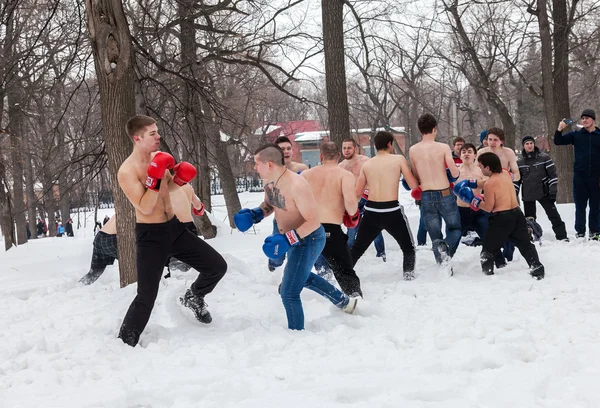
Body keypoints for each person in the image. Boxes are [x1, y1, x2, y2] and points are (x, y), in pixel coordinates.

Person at [116, 115, 227, 347]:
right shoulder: (127, 171)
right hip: (150, 237)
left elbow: (170, 187)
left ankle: (194, 296)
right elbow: (145, 206)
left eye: (157, 131)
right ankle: (125, 342)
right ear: (137, 138)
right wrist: (154, 178)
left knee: (217, 266)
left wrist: (180, 178)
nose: (159, 137)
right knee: (147, 296)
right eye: (152, 134)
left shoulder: (159, 158)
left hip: (175, 229)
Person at [234, 144, 357, 330]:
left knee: (289, 291)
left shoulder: (297, 185)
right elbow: (271, 204)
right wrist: (255, 214)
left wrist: (287, 239)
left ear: (269, 164)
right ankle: (344, 302)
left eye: (256, 163)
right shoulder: (269, 181)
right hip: (292, 239)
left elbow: (314, 222)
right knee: (302, 277)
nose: (254, 167)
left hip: (310, 239)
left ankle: (296, 334)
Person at [454, 152, 545, 279]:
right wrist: (471, 183)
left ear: (487, 167)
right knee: (525, 244)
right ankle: (537, 268)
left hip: (502, 219)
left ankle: (487, 275)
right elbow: (487, 181)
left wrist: (473, 200)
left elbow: (488, 207)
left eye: (481, 166)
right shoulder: (505, 173)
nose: (479, 168)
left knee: (487, 250)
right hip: (517, 214)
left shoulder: (490, 184)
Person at [351, 131, 419, 280]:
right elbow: (413, 185)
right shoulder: (398, 159)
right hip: (392, 210)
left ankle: (343, 274)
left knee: (357, 248)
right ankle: (408, 276)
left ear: (375, 146)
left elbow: (357, 192)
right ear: (390, 144)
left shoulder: (367, 164)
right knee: (408, 248)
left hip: (371, 211)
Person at [301, 142, 363, 297]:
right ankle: (354, 296)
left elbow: (297, 201)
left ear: (321, 156)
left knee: (299, 265)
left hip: (309, 228)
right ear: (339, 156)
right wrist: (353, 214)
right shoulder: (344, 175)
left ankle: (287, 287)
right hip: (331, 230)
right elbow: (350, 203)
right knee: (344, 270)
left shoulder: (306, 175)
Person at [409, 113, 461, 271]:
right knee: (455, 228)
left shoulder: (413, 150)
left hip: (426, 194)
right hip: (444, 191)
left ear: (420, 130)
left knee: (434, 233)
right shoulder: (443, 147)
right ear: (435, 129)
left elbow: (416, 175)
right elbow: (454, 173)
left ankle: (443, 265)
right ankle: (447, 246)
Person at [454, 144, 506, 266]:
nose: (466, 154)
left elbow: (490, 186)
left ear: (475, 155)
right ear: (460, 155)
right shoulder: (456, 172)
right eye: (464, 152)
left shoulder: (480, 171)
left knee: (488, 236)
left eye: (469, 151)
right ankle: (446, 260)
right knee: (455, 237)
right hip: (461, 210)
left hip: (479, 210)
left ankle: (500, 262)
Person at [554, 109, 600, 240]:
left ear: (593, 120)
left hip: (596, 177)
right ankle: (580, 232)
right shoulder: (576, 135)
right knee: (580, 206)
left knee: (596, 206)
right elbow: (558, 141)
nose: (584, 120)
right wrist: (559, 129)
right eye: (583, 118)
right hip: (580, 177)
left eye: (587, 118)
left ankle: (595, 232)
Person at [339, 138, 386, 261]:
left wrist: (370, 195)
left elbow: (376, 179)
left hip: (367, 199)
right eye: (344, 148)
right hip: (351, 203)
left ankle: (381, 255)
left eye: (349, 148)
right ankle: (349, 259)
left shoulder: (365, 162)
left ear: (355, 148)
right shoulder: (340, 166)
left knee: (374, 229)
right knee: (351, 233)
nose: (346, 150)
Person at [477, 127, 520, 261]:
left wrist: (509, 178)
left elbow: (517, 173)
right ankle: (495, 254)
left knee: (509, 221)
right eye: (489, 139)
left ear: (502, 141)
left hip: (505, 191)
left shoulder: (508, 153)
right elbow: (476, 172)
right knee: (490, 222)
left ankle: (509, 247)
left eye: (495, 140)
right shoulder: (481, 152)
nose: (492, 142)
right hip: (488, 188)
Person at [517, 135, 568, 241]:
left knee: (553, 215)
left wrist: (553, 190)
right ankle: (531, 236)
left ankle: (562, 236)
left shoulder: (544, 158)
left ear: (534, 144)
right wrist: (514, 193)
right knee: (529, 219)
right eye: (527, 144)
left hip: (543, 192)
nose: (529, 145)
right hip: (528, 194)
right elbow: (517, 180)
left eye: (531, 143)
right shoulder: (519, 162)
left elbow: (553, 175)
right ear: (523, 146)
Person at [164, 183, 206, 277]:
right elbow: (198, 207)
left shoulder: (164, 186)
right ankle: (192, 277)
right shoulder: (187, 186)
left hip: (171, 225)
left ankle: (167, 279)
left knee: (165, 258)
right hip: (189, 226)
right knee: (192, 257)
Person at [79, 215, 118, 285]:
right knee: (137, 261)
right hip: (112, 238)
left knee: (94, 272)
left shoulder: (120, 210)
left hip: (100, 236)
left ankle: (80, 285)